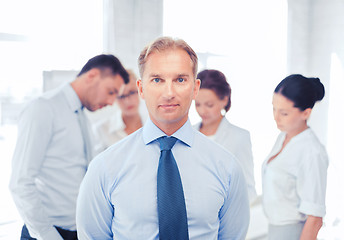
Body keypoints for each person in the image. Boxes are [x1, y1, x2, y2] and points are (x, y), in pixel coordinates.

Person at [76, 37, 250, 239]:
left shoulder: (227, 168)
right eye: (157, 80)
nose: (169, 93)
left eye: (180, 80)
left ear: (195, 88)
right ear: (141, 88)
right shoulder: (105, 168)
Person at [9, 54, 129, 240]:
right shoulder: (43, 109)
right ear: (92, 76)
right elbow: (20, 183)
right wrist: (48, 235)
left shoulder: (81, 116)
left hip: (77, 231)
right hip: (48, 233)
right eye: (111, 91)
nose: (112, 102)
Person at [262, 74, 328, 239]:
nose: (275, 117)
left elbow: (315, 218)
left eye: (284, 113)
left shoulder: (311, 152)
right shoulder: (284, 136)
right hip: (273, 231)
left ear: (305, 113)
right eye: (273, 108)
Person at [194, 69, 257, 203]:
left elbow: (248, 188)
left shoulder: (239, 137)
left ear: (224, 100)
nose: (202, 111)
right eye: (197, 104)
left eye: (209, 105)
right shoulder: (188, 133)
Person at [94, 69, 147, 150]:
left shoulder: (154, 123)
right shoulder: (101, 130)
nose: (127, 101)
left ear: (140, 89)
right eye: (121, 96)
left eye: (132, 92)